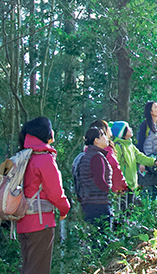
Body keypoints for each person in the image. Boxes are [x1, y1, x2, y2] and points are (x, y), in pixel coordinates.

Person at [17, 117, 71, 274]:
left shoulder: (23, 156)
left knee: (29, 268)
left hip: (22, 222)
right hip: (41, 222)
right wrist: (64, 209)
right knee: (38, 270)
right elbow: (55, 192)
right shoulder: (44, 158)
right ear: (45, 133)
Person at [110, 120, 157, 210]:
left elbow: (140, 157)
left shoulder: (130, 145)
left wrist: (154, 161)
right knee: (122, 211)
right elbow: (115, 166)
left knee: (129, 211)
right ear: (123, 132)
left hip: (132, 185)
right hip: (123, 186)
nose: (131, 129)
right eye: (128, 128)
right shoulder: (118, 146)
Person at [78, 126, 112, 232]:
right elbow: (99, 181)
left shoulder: (86, 156)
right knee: (102, 239)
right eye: (103, 136)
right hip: (99, 204)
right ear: (96, 140)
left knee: (93, 239)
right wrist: (110, 191)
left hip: (88, 204)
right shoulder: (97, 157)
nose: (106, 138)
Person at [88, 119, 127, 194]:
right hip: (109, 191)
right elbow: (115, 169)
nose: (110, 129)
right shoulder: (106, 150)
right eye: (107, 127)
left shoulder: (88, 151)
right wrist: (122, 187)